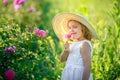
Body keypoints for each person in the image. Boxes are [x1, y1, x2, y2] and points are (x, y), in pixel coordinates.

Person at [52, 12, 98, 80]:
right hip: (69, 75)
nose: (71, 30)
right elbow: (62, 60)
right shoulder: (72, 43)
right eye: (69, 27)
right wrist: (66, 51)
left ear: (83, 29)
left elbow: (87, 66)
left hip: (78, 75)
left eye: (75, 27)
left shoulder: (84, 44)